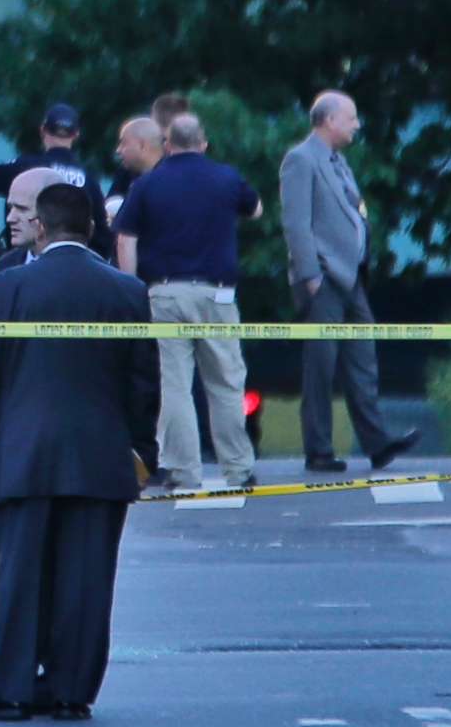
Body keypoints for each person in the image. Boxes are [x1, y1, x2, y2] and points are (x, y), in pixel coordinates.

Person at [0, 185, 157, 721]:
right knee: (87, 581)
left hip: (21, 456)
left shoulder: (2, 291)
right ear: (90, 228)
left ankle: (13, 686)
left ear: (40, 227)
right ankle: (71, 689)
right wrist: (143, 453)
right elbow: (142, 385)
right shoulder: (127, 292)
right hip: (100, 456)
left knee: (19, 578)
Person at [115, 114, 263, 492]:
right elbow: (256, 209)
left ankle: (183, 471)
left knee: (175, 385)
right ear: (204, 143)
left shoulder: (147, 185)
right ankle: (238, 468)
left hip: (165, 293)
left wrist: (133, 289)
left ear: (167, 145)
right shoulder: (226, 178)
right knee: (227, 383)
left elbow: (126, 240)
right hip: (218, 294)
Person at [279, 92, 421, 474]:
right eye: (351, 118)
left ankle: (377, 443)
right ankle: (319, 449)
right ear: (328, 120)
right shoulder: (301, 159)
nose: (357, 125)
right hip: (323, 277)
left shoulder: (339, 162)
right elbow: (296, 223)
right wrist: (309, 276)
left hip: (352, 276)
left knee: (363, 359)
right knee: (321, 367)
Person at [0, 101, 111, 259]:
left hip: (27, 262)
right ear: (76, 134)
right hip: (76, 268)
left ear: (42, 130)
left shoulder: (24, 168)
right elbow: (102, 235)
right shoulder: (89, 179)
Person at [104, 116, 164, 224]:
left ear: (142, 145)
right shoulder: (125, 173)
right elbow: (110, 205)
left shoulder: (171, 178)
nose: (118, 150)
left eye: (123, 143)